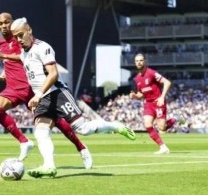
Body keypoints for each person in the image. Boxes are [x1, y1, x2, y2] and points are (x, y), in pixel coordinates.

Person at [10, 17, 136, 178]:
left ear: (29, 30)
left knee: (83, 129)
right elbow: (20, 58)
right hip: (42, 99)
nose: (19, 40)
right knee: (41, 133)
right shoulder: (23, 53)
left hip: (57, 94)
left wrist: (38, 94)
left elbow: (54, 74)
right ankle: (49, 166)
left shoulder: (43, 48)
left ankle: (115, 126)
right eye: (16, 37)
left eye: (21, 35)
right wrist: (3, 56)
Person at [0, 12, 92, 169]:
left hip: (30, 87)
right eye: (1, 23)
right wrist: (4, 71)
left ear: (13, 22)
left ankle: (81, 147)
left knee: (57, 121)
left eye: (7, 22)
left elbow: (24, 56)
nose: (4, 26)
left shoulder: (20, 37)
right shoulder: (0, 43)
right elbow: (12, 60)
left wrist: (4, 56)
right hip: (12, 87)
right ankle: (24, 142)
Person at [129, 53, 179, 154]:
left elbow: (167, 82)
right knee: (147, 124)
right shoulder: (137, 79)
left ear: (145, 61)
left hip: (158, 102)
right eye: (137, 61)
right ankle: (163, 147)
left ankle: (175, 119)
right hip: (148, 103)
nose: (139, 62)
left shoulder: (151, 73)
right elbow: (141, 93)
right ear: (135, 63)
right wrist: (135, 96)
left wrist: (162, 97)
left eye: (141, 60)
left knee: (162, 128)